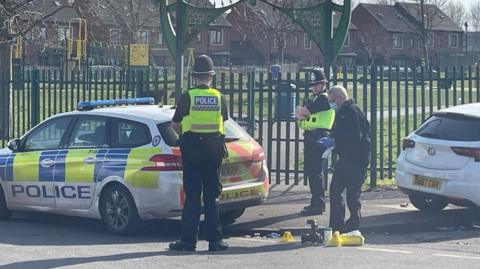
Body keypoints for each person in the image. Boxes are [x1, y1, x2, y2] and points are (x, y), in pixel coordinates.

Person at [169, 55, 229, 252]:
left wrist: (186, 135)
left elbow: (175, 124)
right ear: (211, 77)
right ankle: (215, 241)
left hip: (193, 150)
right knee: (212, 197)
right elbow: (224, 121)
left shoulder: (188, 96)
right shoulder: (219, 96)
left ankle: (188, 241)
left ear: (195, 77)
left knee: (193, 196)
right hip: (214, 152)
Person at [319, 85, 371, 234]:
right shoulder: (343, 112)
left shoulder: (352, 113)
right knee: (335, 191)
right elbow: (341, 134)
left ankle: (354, 225)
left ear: (340, 98)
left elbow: (354, 138)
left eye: (332, 101)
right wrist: (332, 141)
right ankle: (337, 226)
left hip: (355, 160)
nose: (331, 104)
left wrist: (334, 144)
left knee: (352, 196)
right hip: (345, 158)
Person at [295, 69, 335, 216]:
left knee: (315, 171)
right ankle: (315, 203)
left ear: (323, 84)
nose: (314, 87)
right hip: (311, 136)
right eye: (312, 85)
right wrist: (301, 111)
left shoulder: (324, 98)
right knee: (312, 171)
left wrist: (301, 111)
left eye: (317, 84)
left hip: (319, 137)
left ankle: (318, 205)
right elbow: (301, 113)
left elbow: (303, 113)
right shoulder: (314, 98)